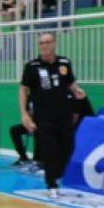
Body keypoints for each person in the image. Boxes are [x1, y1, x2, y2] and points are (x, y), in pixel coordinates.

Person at [20, 33, 86, 199]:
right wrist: (24, 114)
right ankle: (51, 184)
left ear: (54, 43)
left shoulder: (64, 63)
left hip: (64, 115)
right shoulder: (32, 66)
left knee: (68, 147)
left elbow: (70, 82)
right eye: (41, 43)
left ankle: (55, 175)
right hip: (43, 117)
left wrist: (76, 90)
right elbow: (23, 90)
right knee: (50, 150)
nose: (44, 45)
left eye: (48, 42)